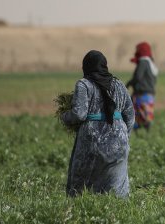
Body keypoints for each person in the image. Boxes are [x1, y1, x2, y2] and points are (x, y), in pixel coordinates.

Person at [62, 50, 135, 198]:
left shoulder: (84, 85)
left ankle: (81, 209)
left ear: (86, 66)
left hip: (92, 141)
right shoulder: (119, 84)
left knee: (83, 186)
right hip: (119, 139)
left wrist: (64, 116)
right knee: (116, 187)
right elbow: (130, 115)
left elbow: (79, 114)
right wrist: (123, 137)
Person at [126, 42, 158, 130]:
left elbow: (138, 77)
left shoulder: (143, 62)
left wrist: (129, 83)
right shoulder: (151, 63)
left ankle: (140, 135)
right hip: (149, 95)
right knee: (147, 117)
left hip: (141, 94)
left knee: (138, 116)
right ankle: (147, 136)